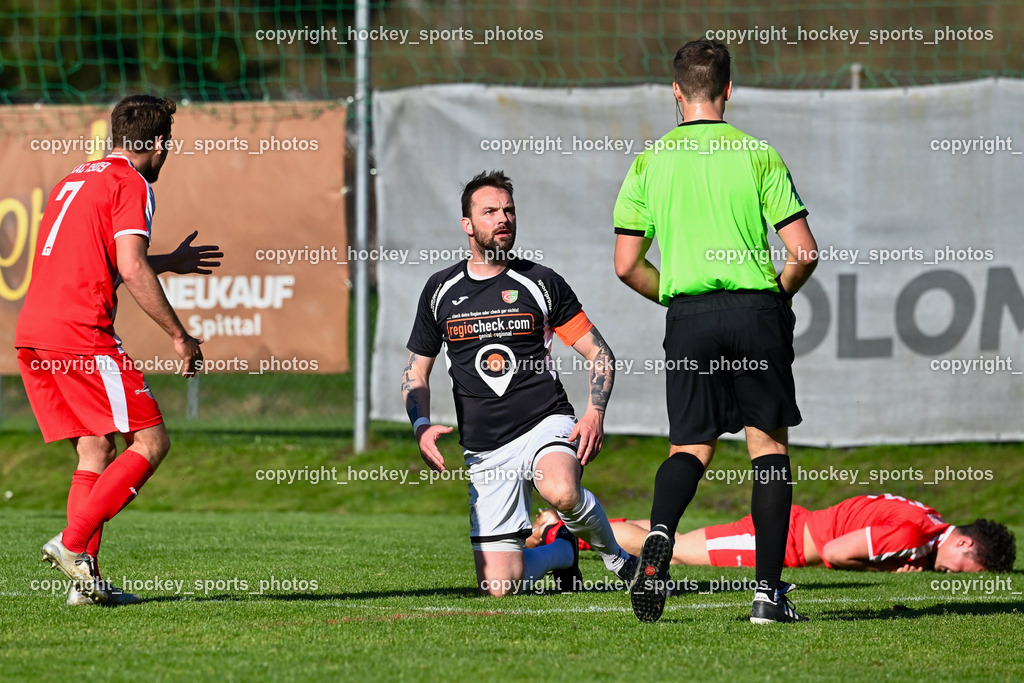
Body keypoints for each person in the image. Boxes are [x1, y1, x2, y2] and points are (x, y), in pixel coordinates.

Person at [613, 39, 819, 623]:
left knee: (689, 446)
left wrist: (678, 296)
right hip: (755, 311)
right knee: (768, 448)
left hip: (690, 318)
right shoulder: (757, 154)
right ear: (730, 90)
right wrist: (771, 298)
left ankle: (658, 536)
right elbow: (803, 252)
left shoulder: (650, 161)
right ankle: (767, 597)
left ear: (675, 93)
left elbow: (626, 265)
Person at [16, 95, 221, 605]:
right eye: (167, 144)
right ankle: (70, 543)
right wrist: (181, 335)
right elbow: (129, 266)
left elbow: (95, 255)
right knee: (150, 443)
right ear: (155, 144)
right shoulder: (131, 182)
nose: (166, 155)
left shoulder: (77, 177)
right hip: (79, 333)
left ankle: (85, 585)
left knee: (95, 448)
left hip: (34, 332)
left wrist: (167, 260)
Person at [402, 170, 636, 596]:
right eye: (489, 211)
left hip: (544, 422)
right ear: (467, 225)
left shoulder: (541, 282)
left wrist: (593, 415)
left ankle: (619, 560)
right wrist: (420, 426)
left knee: (561, 490)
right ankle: (562, 552)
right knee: (498, 586)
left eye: (508, 210)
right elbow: (416, 372)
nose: (503, 218)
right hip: (485, 446)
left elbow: (599, 353)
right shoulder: (439, 290)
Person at [529, 494, 1017, 573]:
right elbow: (834, 551)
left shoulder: (925, 519)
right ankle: (563, 525)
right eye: (966, 567)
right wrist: (884, 563)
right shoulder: (916, 532)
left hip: (784, 531)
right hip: (776, 542)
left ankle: (567, 524)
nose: (951, 571)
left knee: (669, 546)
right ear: (965, 543)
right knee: (672, 552)